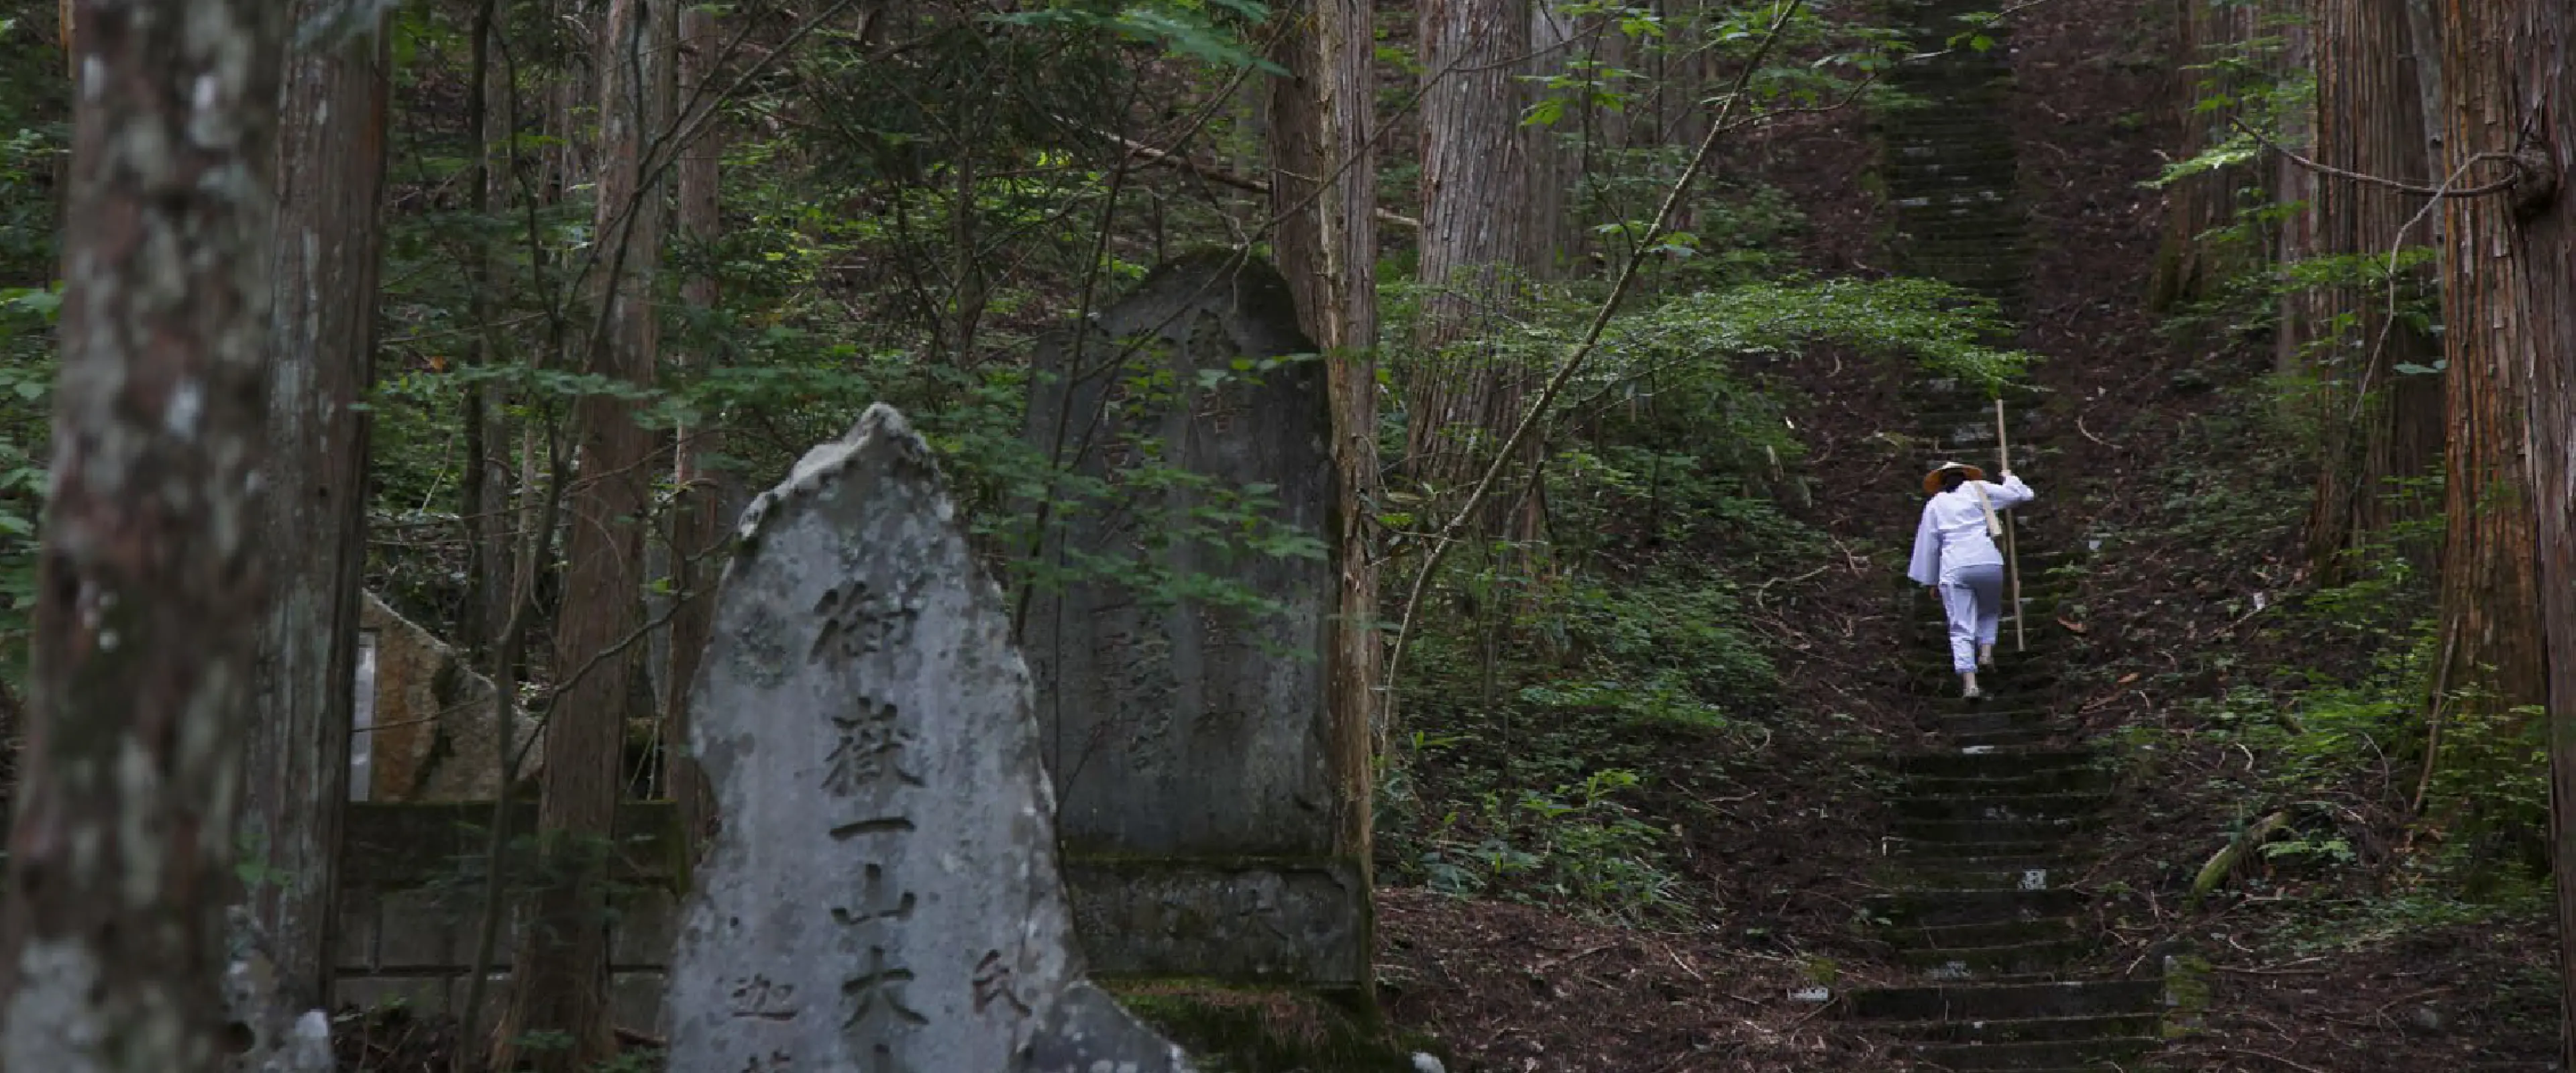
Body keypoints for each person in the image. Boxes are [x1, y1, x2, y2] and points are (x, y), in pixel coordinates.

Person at [1906, 461, 2035, 699]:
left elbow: (1930, 545)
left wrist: (1932, 580)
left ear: (1941, 482)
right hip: (1988, 560)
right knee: (1989, 610)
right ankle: (1986, 652)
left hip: (1955, 565)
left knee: (1960, 624)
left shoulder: (1935, 504)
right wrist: (2009, 478)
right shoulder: (1979, 488)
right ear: (1965, 475)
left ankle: (1970, 683)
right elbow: (2022, 496)